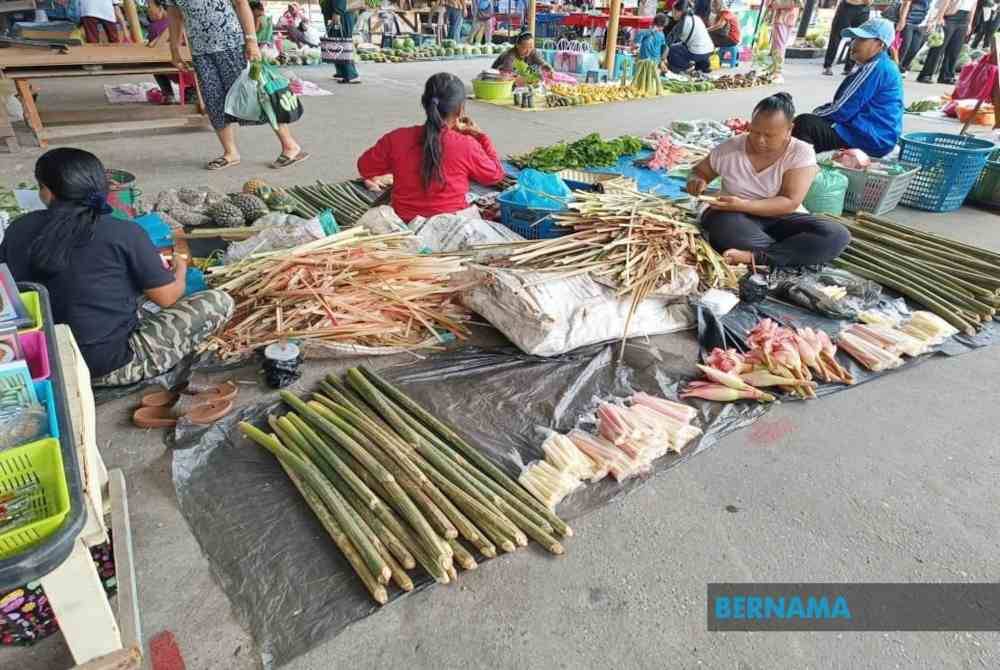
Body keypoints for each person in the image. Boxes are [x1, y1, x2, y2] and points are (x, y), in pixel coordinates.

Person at [0, 149, 234, 386]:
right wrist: (180, 270)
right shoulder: (123, 232)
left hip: (43, 361)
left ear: (47, 192)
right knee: (219, 300)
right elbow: (167, 298)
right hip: (107, 367)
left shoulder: (18, 227)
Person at [687, 94, 851, 268]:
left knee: (837, 235)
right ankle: (787, 255)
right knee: (722, 225)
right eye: (755, 131)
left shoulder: (800, 152)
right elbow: (699, 172)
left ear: (790, 130)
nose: (759, 140)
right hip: (734, 217)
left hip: (780, 217)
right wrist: (697, 180)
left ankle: (757, 257)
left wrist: (743, 204)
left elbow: (789, 202)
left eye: (769, 135)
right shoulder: (730, 148)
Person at [162, 0, 309, 170]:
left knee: (256, 93)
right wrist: (174, 49)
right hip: (200, 51)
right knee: (213, 100)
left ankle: (290, 145)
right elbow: (174, 15)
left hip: (232, 43)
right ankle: (230, 153)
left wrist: (252, 42)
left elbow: (241, 3)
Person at [357, 73, 505, 222]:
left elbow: (365, 168)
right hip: (453, 225)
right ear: (460, 110)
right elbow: (495, 176)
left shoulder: (396, 139)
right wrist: (481, 137)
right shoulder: (466, 144)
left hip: (404, 226)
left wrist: (400, 166)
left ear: (424, 103)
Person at [792, 18, 903, 157]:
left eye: (861, 39)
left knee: (805, 124)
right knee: (811, 124)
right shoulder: (882, 65)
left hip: (870, 139)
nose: (853, 43)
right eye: (855, 39)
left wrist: (811, 115)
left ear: (879, 44)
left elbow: (841, 110)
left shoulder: (876, 67)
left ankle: (798, 171)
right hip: (872, 135)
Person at [917, 0, 978, 84]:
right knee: (938, 47)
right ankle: (926, 74)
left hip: (965, 18)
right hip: (951, 15)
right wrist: (940, 16)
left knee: (954, 50)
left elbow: (974, 5)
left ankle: (946, 76)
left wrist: (970, 23)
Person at [822, 0, 871, 76]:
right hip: (847, 6)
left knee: (858, 38)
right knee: (836, 36)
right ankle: (827, 66)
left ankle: (849, 68)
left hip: (863, 8)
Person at [665, 0, 715, 73]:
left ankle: (685, 67)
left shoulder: (682, 24)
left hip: (697, 53)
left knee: (672, 49)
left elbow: (668, 42)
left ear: (680, 12)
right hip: (709, 50)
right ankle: (704, 66)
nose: (673, 14)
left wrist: (662, 58)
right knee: (688, 43)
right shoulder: (695, 17)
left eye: (674, 12)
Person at [326, 0, 362, 83]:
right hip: (338, 12)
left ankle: (351, 75)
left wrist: (338, 12)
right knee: (336, 41)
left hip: (342, 13)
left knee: (342, 42)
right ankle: (341, 72)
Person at [895, 0, 932, 75]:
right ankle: (895, 69)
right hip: (909, 21)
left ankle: (902, 68)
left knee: (914, 49)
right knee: (904, 47)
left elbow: (932, 6)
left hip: (922, 24)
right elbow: (906, 3)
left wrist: (930, 21)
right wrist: (902, 20)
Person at [769, 0, 802, 83]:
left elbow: (773, 4)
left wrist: (775, 3)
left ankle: (777, 72)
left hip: (783, 17)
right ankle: (775, 71)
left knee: (779, 46)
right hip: (789, 17)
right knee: (780, 45)